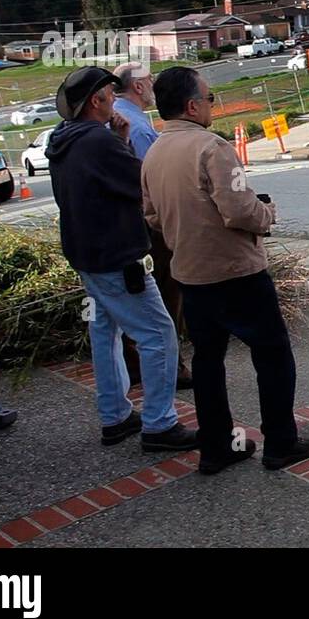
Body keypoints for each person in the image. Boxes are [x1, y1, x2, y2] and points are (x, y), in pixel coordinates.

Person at [140, 66, 309, 475]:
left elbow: (150, 214)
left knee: (207, 360)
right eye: (208, 98)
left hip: (190, 271)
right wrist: (267, 213)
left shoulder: (153, 152)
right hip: (237, 272)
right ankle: (281, 441)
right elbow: (239, 210)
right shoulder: (213, 147)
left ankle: (216, 445)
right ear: (191, 105)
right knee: (272, 354)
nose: (211, 105)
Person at [44, 66, 197, 452]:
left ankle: (114, 415)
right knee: (158, 334)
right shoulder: (98, 141)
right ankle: (160, 424)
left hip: (86, 256)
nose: (115, 101)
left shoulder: (64, 140)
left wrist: (120, 139)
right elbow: (141, 182)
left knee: (104, 331)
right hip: (117, 257)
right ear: (96, 101)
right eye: (109, 96)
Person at [112, 60, 192, 391]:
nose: (154, 82)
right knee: (165, 295)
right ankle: (169, 366)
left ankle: (136, 363)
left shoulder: (116, 117)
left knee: (131, 301)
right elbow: (152, 185)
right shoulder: (139, 128)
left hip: (120, 227)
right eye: (149, 78)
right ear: (140, 87)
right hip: (147, 227)